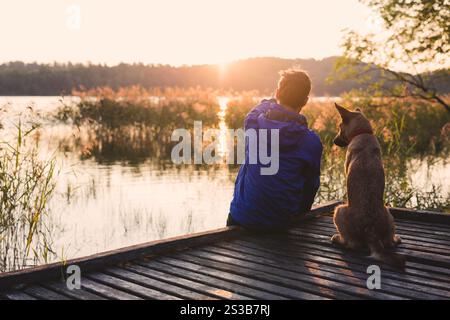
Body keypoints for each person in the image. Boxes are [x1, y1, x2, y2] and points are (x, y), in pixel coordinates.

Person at [227, 69, 323, 230]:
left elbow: (257, 109)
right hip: (281, 222)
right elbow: (311, 186)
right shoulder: (311, 142)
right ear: (305, 101)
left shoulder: (253, 123)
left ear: (278, 92)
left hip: (243, 218)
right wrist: (301, 213)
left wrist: (273, 100)